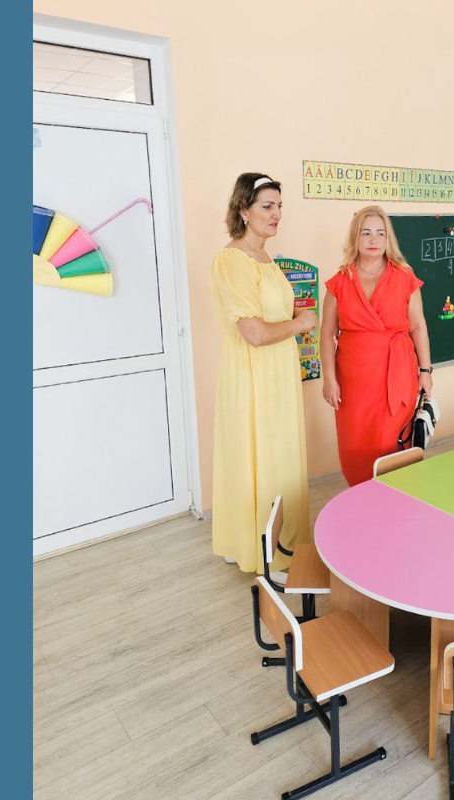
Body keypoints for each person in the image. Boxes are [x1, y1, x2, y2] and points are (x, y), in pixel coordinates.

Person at [210, 173, 316, 572]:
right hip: (253, 375)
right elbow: (253, 333)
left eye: (279, 207)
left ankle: (278, 541)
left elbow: (270, 313)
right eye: (267, 207)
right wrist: (300, 324)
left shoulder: (267, 260)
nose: (276, 215)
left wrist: (292, 315)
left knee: (279, 456)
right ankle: (259, 548)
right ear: (244, 211)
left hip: (278, 373)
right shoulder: (232, 261)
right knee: (259, 456)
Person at [320, 205, 432, 486]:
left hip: (397, 376)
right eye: (366, 233)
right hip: (353, 383)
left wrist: (426, 371)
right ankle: (361, 498)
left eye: (380, 233)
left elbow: (418, 326)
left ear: (388, 238)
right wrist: (329, 380)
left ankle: (397, 499)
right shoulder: (339, 282)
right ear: (355, 238)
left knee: (393, 444)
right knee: (355, 447)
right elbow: (327, 334)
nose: (374, 240)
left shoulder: (405, 276)